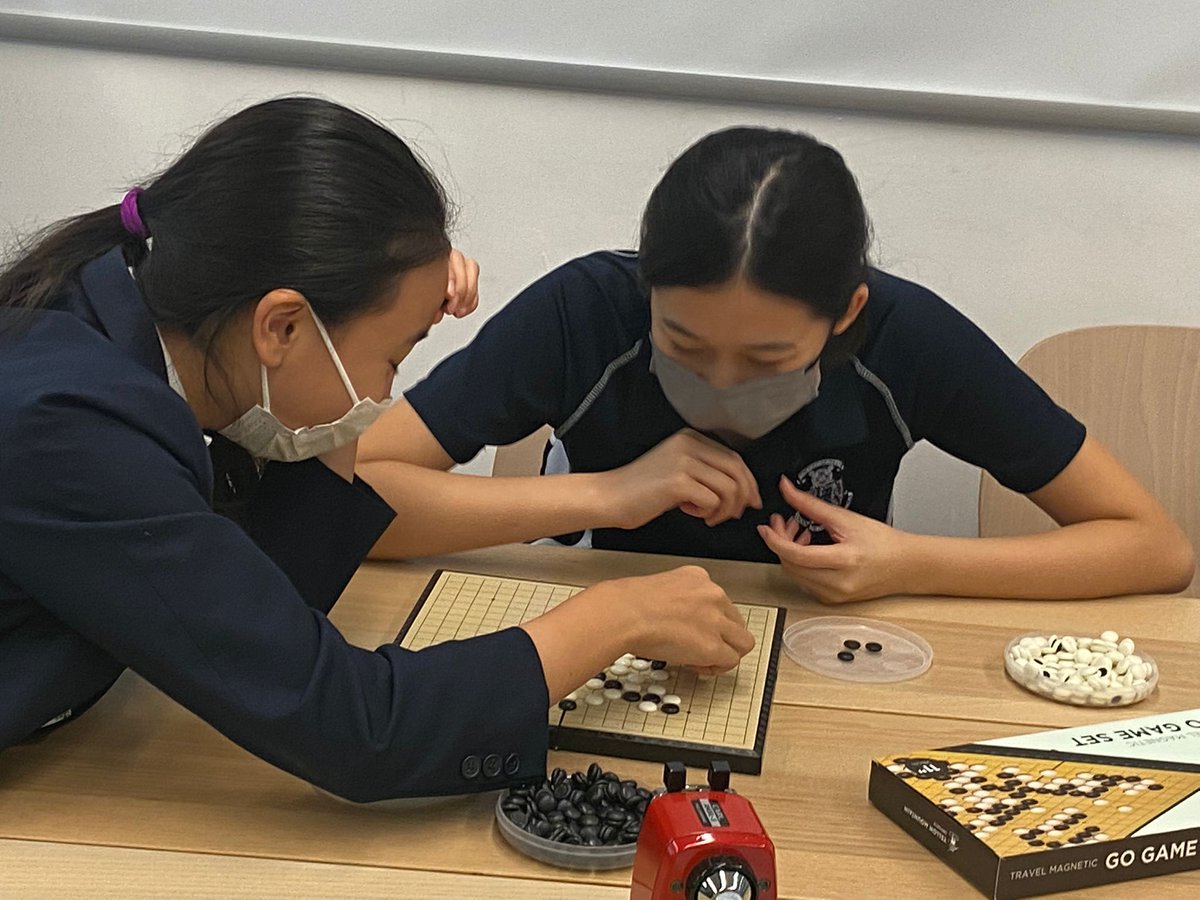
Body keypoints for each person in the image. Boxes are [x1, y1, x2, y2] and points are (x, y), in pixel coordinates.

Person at [0, 98, 755, 801]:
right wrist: (609, 620)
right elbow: (353, 725)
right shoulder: (69, 425)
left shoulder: (114, 328)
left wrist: (371, 351)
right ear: (283, 328)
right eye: (394, 360)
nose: (382, 398)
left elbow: (259, 612)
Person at [359, 126, 1194, 602]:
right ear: (646, 290)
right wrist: (610, 493)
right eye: (683, 345)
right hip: (591, 623)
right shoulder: (584, 310)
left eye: (766, 357)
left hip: (816, 649)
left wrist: (912, 562)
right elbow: (352, 499)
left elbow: (1152, 547)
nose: (719, 384)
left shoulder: (912, 339)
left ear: (847, 316)